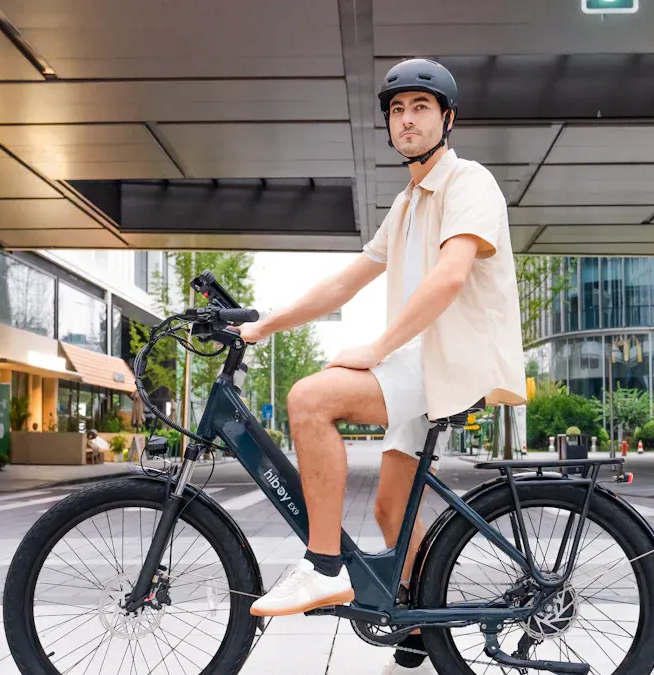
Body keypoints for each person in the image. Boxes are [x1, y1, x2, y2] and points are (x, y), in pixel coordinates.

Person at [237, 58, 526, 671]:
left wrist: (376, 347)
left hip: (451, 361)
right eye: (396, 110)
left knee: (311, 399)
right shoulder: (407, 204)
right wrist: (263, 324)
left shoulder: (467, 182)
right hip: (421, 361)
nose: (406, 119)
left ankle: (321, 566)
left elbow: (451, 275)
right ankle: (423, 623)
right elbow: (345, 283)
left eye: (420, 107)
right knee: (390, 509)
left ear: (447, 118)